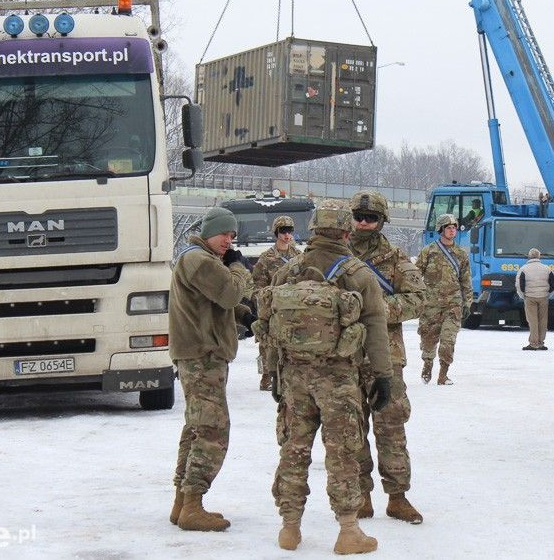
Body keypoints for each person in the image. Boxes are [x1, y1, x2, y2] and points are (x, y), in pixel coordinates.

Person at [260, 199, 393, 554]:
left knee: (293, 449)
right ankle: (348, 531)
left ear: (313, 231)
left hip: (293, 376)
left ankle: (289, 528)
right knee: (343, 452)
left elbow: (271, 326)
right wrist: (383, 376)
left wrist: (273, 370)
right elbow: (376, 328)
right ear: (346, 232)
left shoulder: (288, 271)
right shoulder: (359, 274)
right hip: (338, 380)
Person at [167, 206, 252, 531]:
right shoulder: (199, 260)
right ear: (209, 231)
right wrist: (239, 268)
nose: (229, 241)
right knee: (214, 431)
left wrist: (245, 316)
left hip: (200, 355)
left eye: (232, 236)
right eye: (224, 234)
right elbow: (230, 293)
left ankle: (182, 503)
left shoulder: (197, 259)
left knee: (197, 428)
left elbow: (212, 306)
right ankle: (193, 505)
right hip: (202, 357)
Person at [349, 191, 427, 524]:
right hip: (345, 356)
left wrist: (375, 311)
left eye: (371, 218)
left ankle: (397, 496)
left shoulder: (396, 259)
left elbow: (417, 299)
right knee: (350, 428)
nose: (364, 223)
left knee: (391, 426)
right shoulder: (336, 254)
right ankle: (361, 495)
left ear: (382, 222)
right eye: (359, 216)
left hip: (387, 357)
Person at [414, 213, 473, 384]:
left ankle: (443, 374)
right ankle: (427, 364)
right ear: (441, 229)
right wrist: (417, 298)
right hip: (431, 304)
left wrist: (467, 302)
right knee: (428, 339)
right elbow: (416, 276)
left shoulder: (460, 254)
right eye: (448, 228)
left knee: (448, 340)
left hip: (453, 304)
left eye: (454, 228)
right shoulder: (429, 251)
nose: (452, 231)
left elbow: (465, 281)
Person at [251, 215, 302, 391]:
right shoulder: (266, 258)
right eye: (283, 231)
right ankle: (267, 374)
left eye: (290, 231)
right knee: (268, 342)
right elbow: (257, 285)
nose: (287, 235)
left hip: (292, 307)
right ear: (276, 233)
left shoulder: (298, 256)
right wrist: (267, 300)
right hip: (273, 306)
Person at [517, 248, 554, 351]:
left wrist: (523, 296)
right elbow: (553, 284)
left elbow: (520, 285)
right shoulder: (547, 269)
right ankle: (541, 342)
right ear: (539, 256)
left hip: (530, 297)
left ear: (529, 257)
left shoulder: (524, 269)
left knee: (532, 320)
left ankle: (533, 343)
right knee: (543, 320)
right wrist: (548, 294)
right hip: (543, 297)